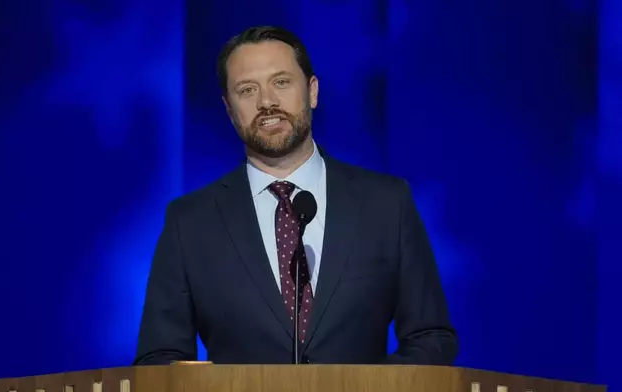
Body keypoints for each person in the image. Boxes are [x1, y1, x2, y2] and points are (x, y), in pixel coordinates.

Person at [134, 25, 458, 365]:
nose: (267, 102)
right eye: (247, 90)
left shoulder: (387, 204)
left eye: (281, 82)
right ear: (229, 110)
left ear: (313, 91)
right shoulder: (189, 222)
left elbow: (431, 337)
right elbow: (159, 358)